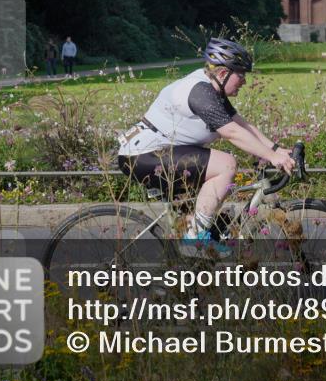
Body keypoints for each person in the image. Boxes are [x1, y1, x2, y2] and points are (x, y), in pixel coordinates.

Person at [116, 38, 295, 256]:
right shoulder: (200, 93)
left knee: (208, 214)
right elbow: (231, 133)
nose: (244, 81)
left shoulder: (213, 90)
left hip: (158, 153)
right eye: (241, 74)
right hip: (143, 155)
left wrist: (275, 150)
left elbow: (241, 124)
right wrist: (270, 156)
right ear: (222, 74)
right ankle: (195, 241)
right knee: (226, 164)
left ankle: (186, 271)